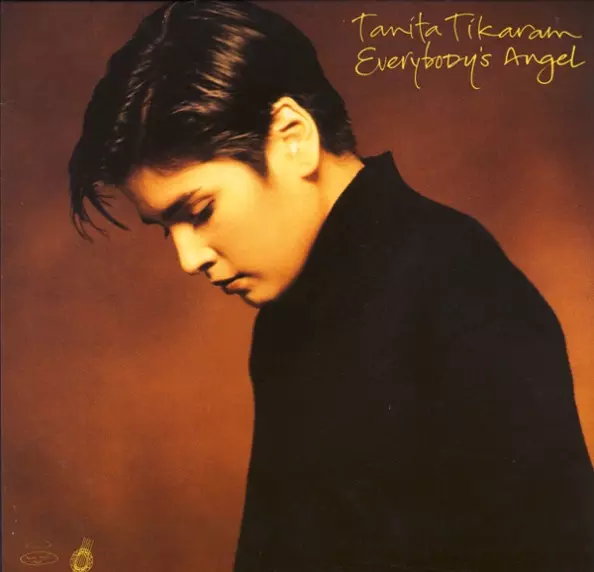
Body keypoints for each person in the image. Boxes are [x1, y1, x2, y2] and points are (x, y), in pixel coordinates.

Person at [68, 2, 593, 571]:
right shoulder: (288, 318)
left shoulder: (461, 288)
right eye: (164, 230)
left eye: (199, 211)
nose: (188, 259)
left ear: (292, 138)